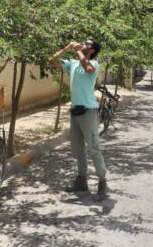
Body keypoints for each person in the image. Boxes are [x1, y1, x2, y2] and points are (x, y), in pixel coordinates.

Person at [49, 39, 108, 201]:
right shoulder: (74, 63)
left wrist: (78, 51)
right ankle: (81, 181)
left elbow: (87, 68)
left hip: (88, 111)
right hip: (75, 111)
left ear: (93, 50)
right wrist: (66, 47)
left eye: (87, 44)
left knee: (93, 147)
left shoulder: (94, 64)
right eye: (83, 42)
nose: (83, 43)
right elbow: (52, 62)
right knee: (78, 149)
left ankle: (103, 182)